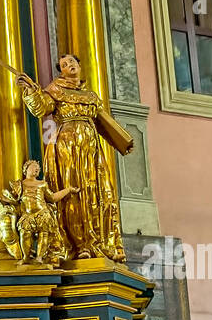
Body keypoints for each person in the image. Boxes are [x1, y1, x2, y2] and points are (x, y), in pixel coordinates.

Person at [13, 54, 133, 263]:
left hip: (91, 149)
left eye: (71, 62)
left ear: (79, 64)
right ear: (61, 71)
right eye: (64, 65)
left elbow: (105, 122)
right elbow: (42, 108)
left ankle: (99, 242)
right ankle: (79, 244)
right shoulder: (56, 89)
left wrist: (123, 142)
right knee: (73, 192)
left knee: (97, 192)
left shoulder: (91, 96)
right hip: (67, 147)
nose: (69, 66)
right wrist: (31, 90)